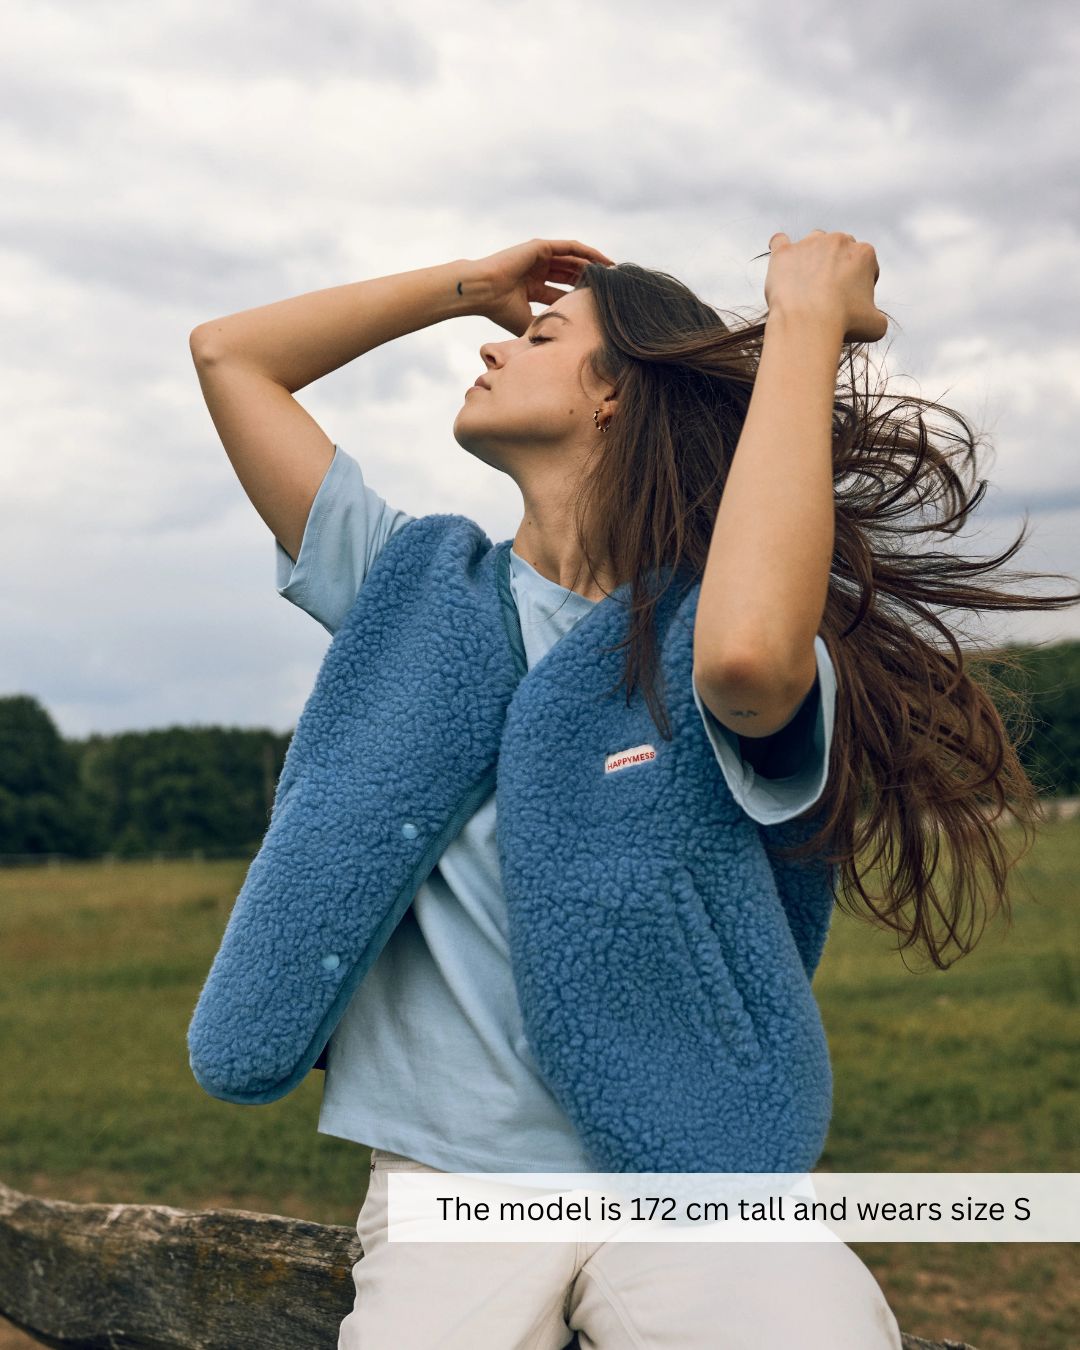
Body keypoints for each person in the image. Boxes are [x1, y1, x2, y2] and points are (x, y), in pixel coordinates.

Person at [187, 235, 1078, 1348]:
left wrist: (806, 321)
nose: (494, 348)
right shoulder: (409, 589)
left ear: (615, 396)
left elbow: (746, 658)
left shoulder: (721, 624)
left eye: (542, 338)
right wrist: (471, 287)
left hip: (702, 1180)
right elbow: (229, 356)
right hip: (451, 1188)